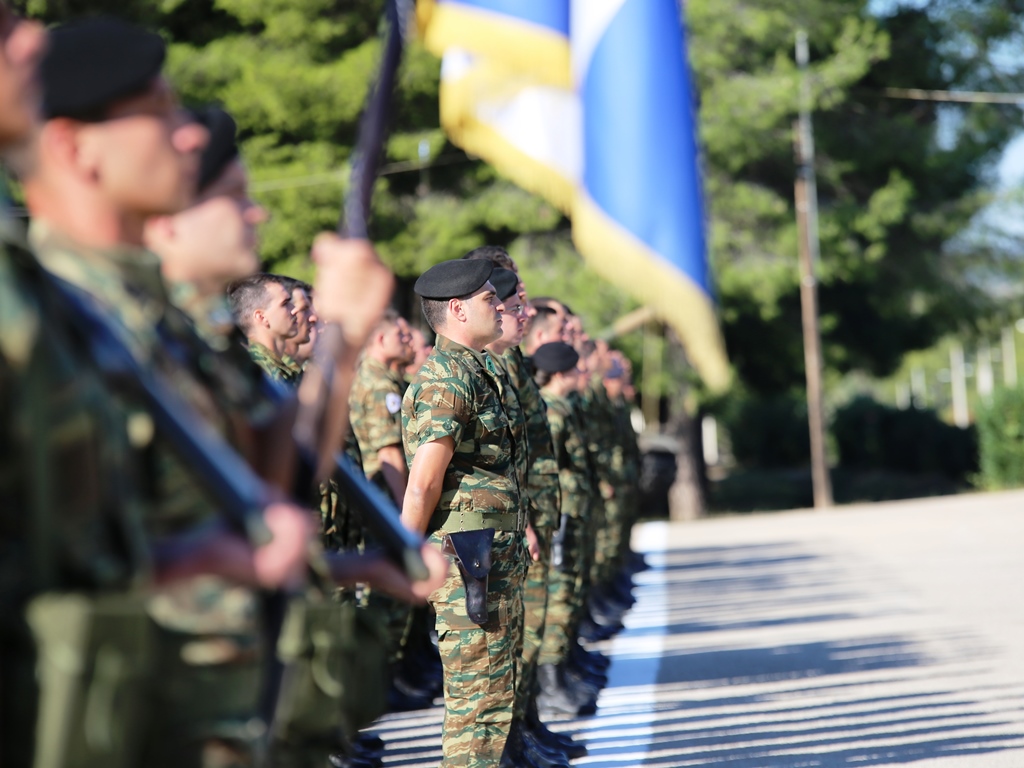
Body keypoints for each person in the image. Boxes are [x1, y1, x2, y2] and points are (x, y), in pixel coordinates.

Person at [401, 258, 528, 768]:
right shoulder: (446, 378)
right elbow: (424, 482)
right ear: (456, 310)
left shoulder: (476, 367)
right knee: (477, 706)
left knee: (495, 698)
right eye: (487, 301)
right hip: (467, 559)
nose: (499, 305)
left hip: (489, 553)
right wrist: (404, 557)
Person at [229, 272, 306, 383]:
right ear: (261, 317)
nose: (294, 309)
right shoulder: (258, 372)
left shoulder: (283, 366)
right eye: (285, 304)